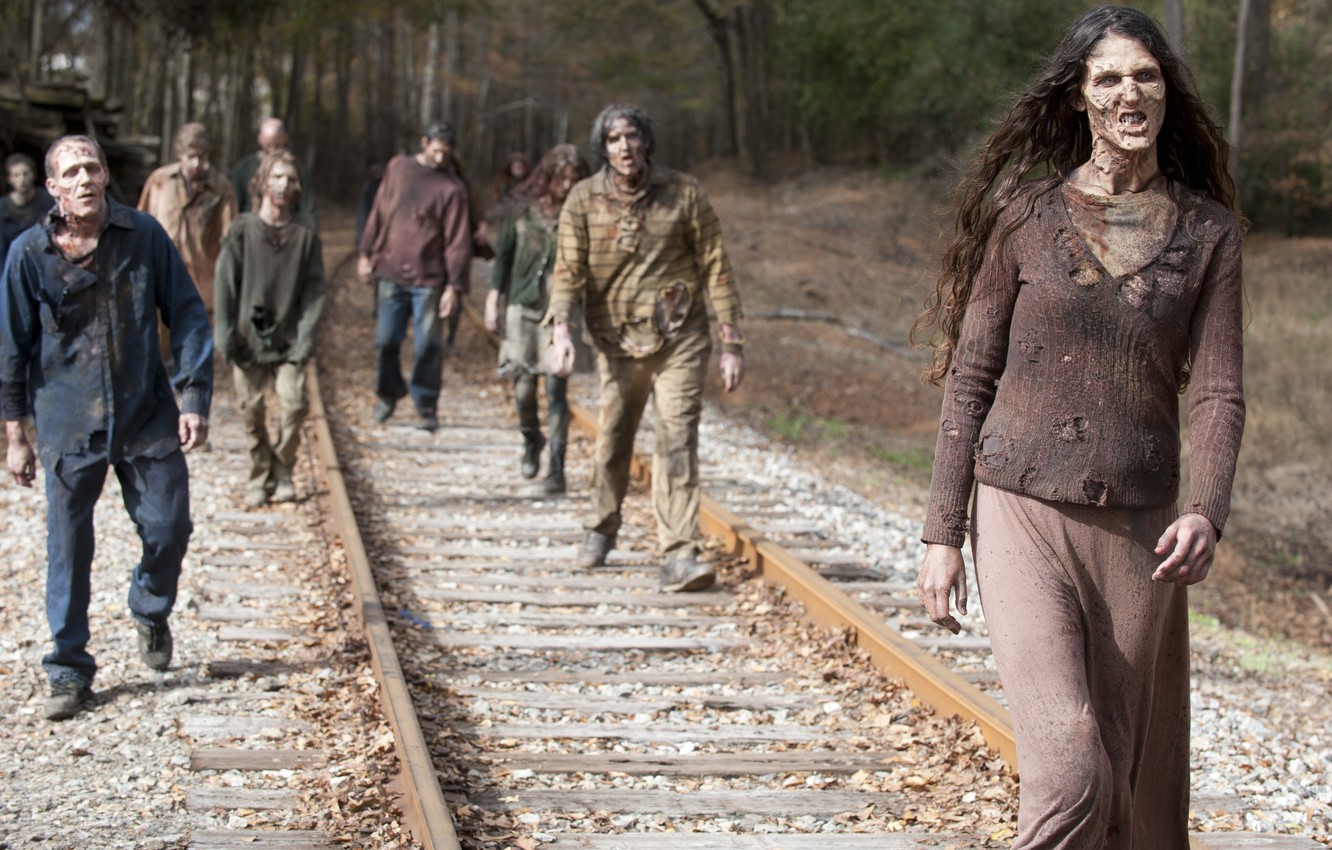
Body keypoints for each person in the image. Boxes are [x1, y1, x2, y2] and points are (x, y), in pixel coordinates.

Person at [912, 7, 1245, 847]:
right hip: (1019, 508)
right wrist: (942, 533)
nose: (1130, 93)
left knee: (1121, 782)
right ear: (1078, 98)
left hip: (1140, 528)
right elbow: (971, 375)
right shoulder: (1025, 215)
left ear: (1167, 92)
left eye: (1146, 76)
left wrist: (1205, 510)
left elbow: (1217, 393)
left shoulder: (1209, 234)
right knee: (1070, 766)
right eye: (1109, 78)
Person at [1, 135, 213, 722]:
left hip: (145, 413)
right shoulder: (28, 254)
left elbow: (188, 314)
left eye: (91, 167)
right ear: (52, 188)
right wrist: (15, 434)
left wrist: (194, 396)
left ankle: (150, 605)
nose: (84, 179)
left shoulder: (144, 236)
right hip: (68, 423)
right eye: (71, 172)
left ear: (105, 175)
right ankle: (68, 668)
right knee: (68, 548)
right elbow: (10, 350)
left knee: (169, 527)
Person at [547, 104, 745, 593]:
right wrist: (561, 330)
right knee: (615, 437)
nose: (625, 147)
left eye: (632, 137)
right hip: (616, 341)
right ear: (603, 147)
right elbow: (568, 270)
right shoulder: (582, 199)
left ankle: (679, 553)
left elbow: (715, 264)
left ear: (646, 142)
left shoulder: (683, 192)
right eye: (614, 139)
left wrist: (731, 342)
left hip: (681, 337)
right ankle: (601, 525)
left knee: (677, 438)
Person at [214, 151, 326, 508]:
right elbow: (225, 285)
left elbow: (314, 291)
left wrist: (305, 338)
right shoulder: (242, 229)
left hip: (288, 341)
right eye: (276, 177)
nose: (283, 185)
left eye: (290, 179)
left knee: (294, 405)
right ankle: (259, 476)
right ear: (262, 182)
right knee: (251, 410)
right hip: (247, 341)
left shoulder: (305, 234)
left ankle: (282, 469)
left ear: (298, 188)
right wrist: (225, 334)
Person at [485, 144, 591, 494]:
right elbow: (504, 257)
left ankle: (557, 469)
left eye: (574, 179)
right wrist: (493, 298)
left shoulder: (581, 213)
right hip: (522, 308)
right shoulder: (523, 210)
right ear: (548, 176)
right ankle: (531, 437)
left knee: (557, 389)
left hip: (561, 313)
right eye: (562, 178)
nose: (567, 185)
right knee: (523, 388)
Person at [358, 121, 473, 432]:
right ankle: (389, 392)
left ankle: (426, 404)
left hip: (429, 278)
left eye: (446, 154)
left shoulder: (452, 189)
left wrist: (454, 286)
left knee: (428, 345)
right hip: (391, 270)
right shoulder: (398, 168)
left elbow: (458, 242)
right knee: (385, 340)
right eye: (436, 151)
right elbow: (379, 211)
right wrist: (365, 252)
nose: (440, 158)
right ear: (424, 143)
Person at [137, 122, 237, 314]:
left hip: (202, 288)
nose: (196, 164)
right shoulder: (159, 181)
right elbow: (140, 228)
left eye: (202, 157)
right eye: (191, 157)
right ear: (180, 154)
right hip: (160, 282)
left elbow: (229, 241)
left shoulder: (222, 189)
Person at [230, 117, 317, 224]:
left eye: (277, 145)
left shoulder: (297, 170)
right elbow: (234, 207)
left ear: (285, 139)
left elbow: (309, 211)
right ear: (260, 139)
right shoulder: (243, 169)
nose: (272, 151)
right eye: (267, 145)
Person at [1, 153, 55, 269]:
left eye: (25, 174)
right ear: (9, 179)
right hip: (11, 265)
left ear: (33, 175)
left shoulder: (48, 200)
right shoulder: (2, 208)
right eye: (16, 175)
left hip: (44, 263)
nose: (22, 179)